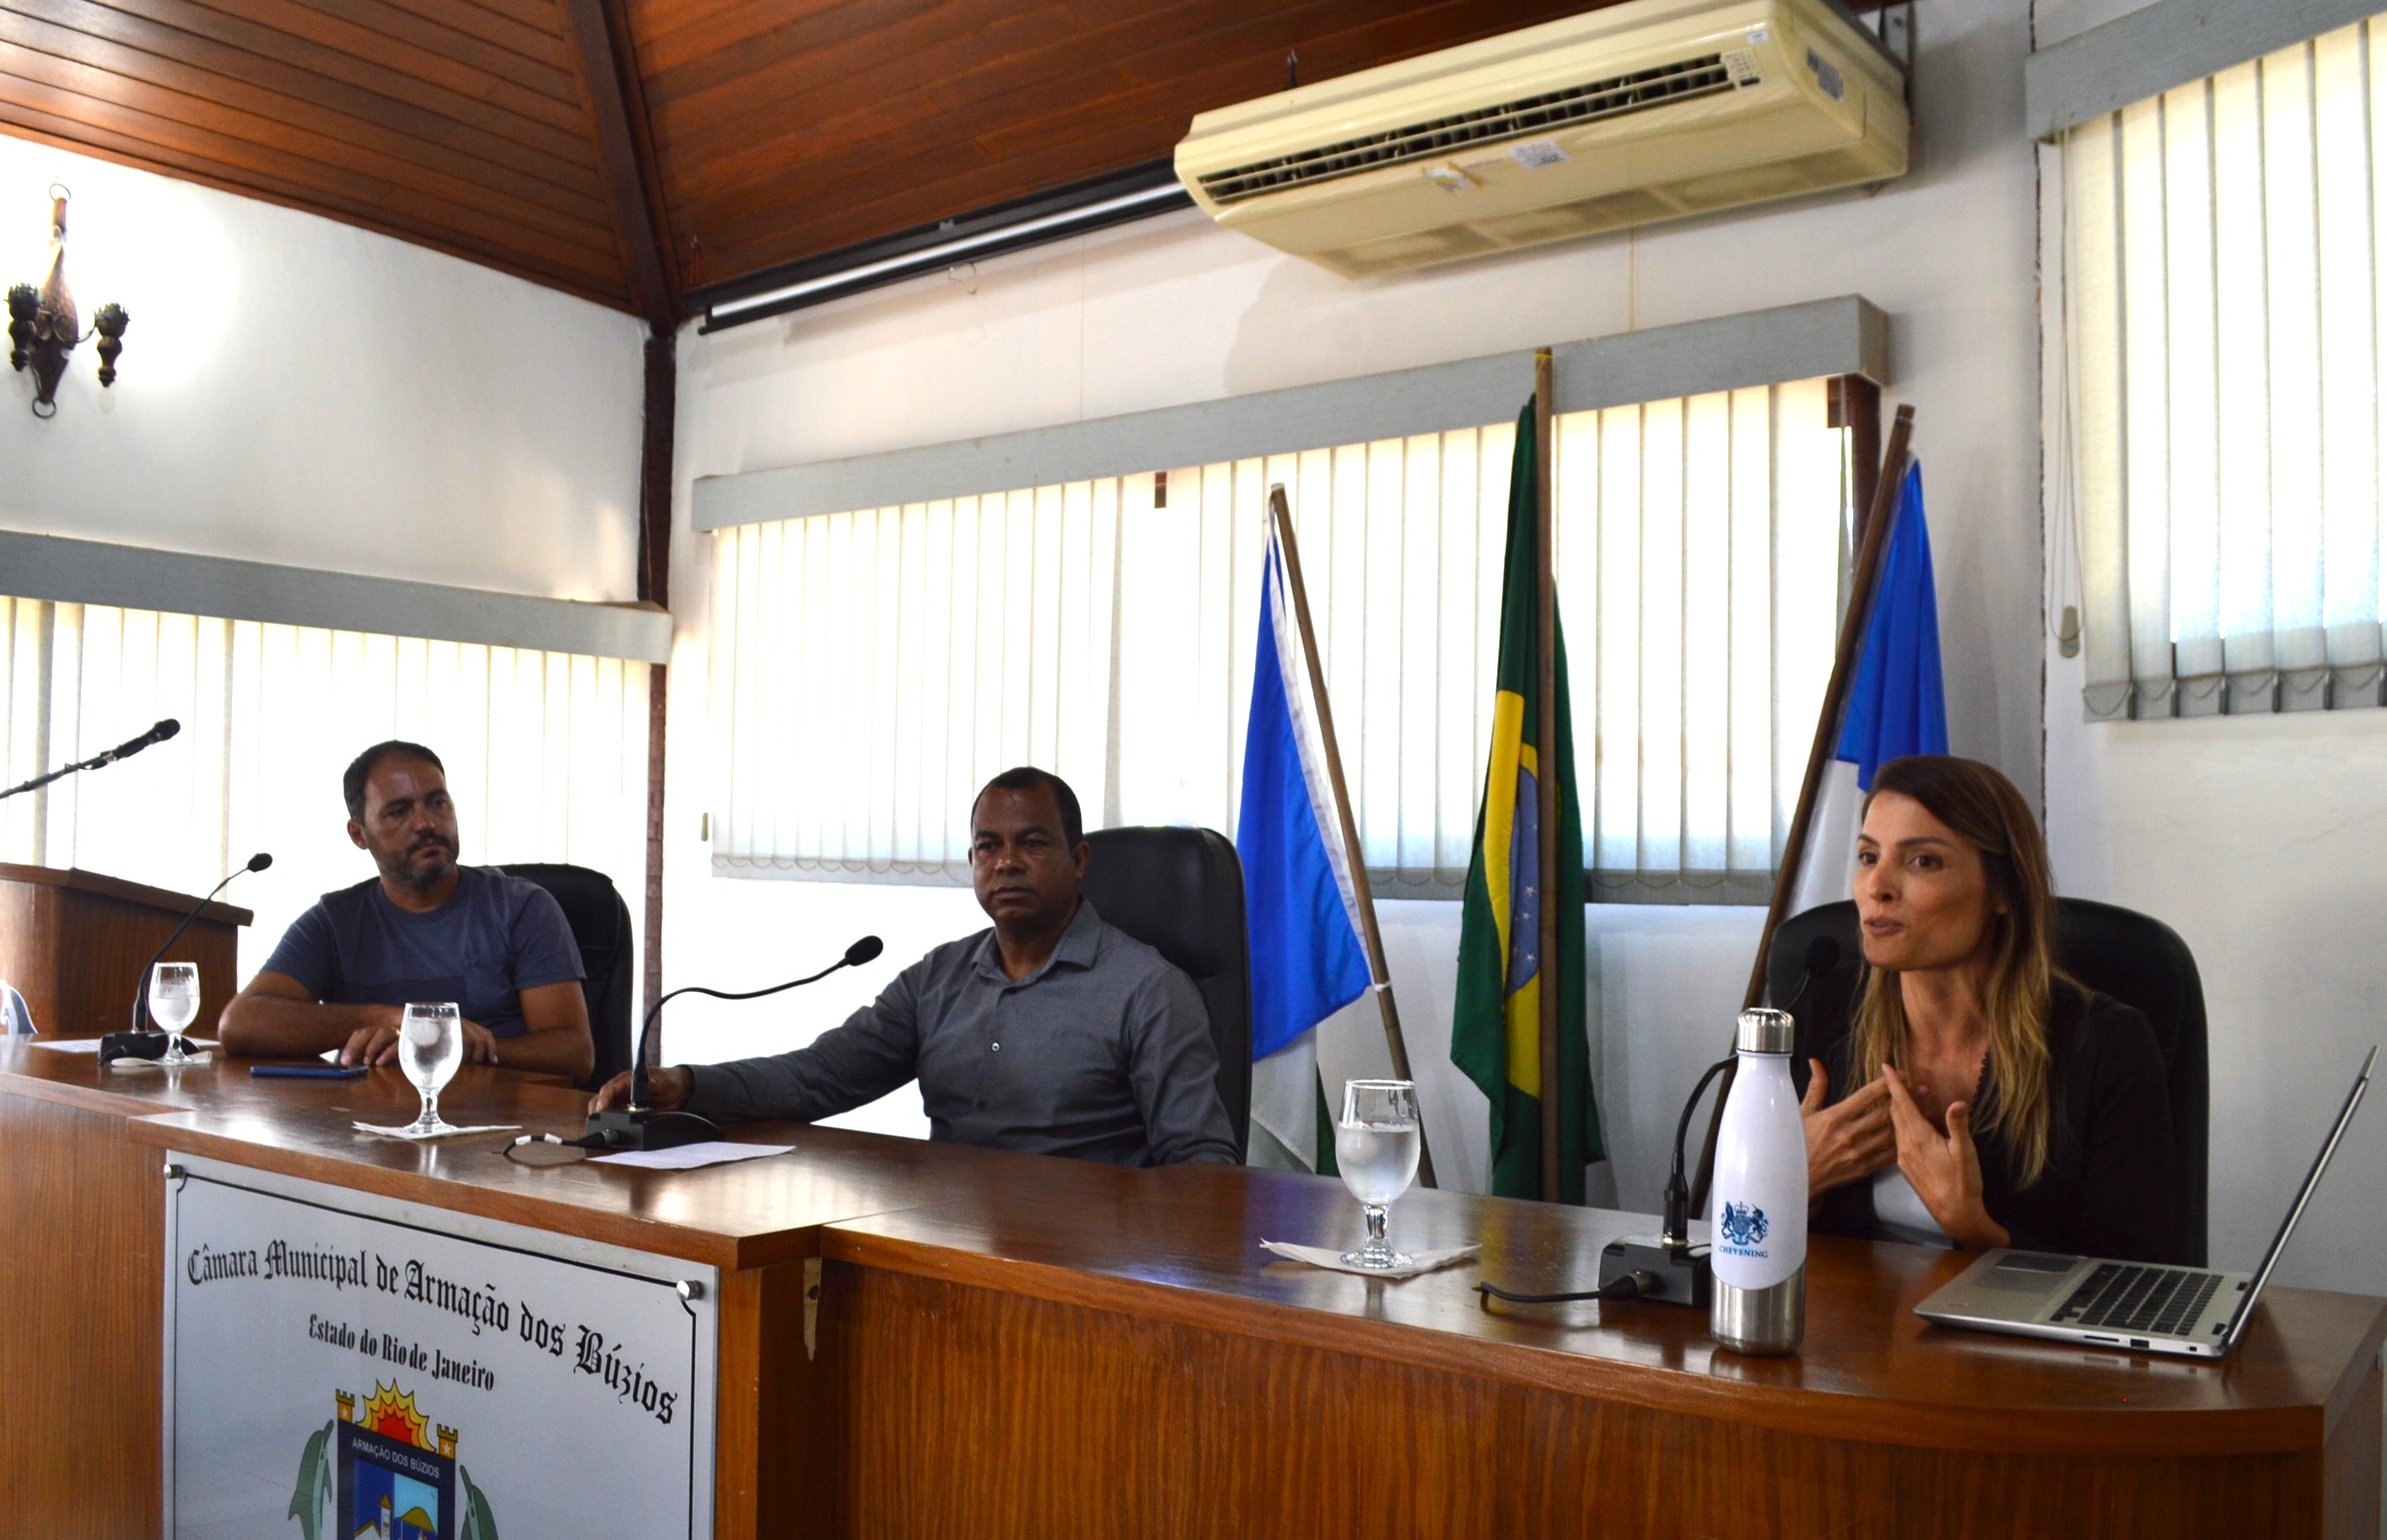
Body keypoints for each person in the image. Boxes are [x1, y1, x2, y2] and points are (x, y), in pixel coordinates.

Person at [592, 767, 1239, 1167]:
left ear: (1079, 861)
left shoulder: (1149, 990)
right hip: (947, 1243)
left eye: (1032, 843)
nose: (1007, 862)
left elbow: (1201, 1166)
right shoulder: (938, 979)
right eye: (989, 847)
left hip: (1083, 1268)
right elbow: (820, 1077)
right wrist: (686, 1084)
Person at [1797, 755, 2180, 1262]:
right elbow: (1723, 1239)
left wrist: (1978, 1232)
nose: (1877, 887)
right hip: (1847, 1334)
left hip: (2016, 1341)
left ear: (2002, 890)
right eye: (1869, 857)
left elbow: (2140, 1283)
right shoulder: (1816, 1011)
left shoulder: (2104, 1046)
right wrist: (1787, 1181)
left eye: (1922, 862)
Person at [217, 740, 594, 1081]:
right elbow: (240, 1024)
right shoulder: (336, 920)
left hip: (499, 1131)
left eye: (437, 802)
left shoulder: (522, 908)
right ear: (359, 835)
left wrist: (449, 1047)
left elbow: (575, 1054)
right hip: (369, 1131)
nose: (425, 824)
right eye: (398, 812)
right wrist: (391, 1019)